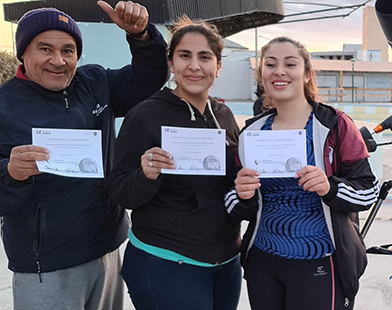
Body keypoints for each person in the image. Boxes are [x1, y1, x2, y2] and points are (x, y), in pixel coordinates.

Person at [0, 0, 169, 310]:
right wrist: (9, 173)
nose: (58, 61)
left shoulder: (95, 84)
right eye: (45, 49)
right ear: (24, 54)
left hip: (107, 249)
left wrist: (142, 37)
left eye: (67, 50)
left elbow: (148, 80)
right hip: (48, 264)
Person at [224, 36, 380, 310]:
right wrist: (242, 194)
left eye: (290, 64)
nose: (279, 71)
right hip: (264, 261)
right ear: (262, 74)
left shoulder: (335, 125)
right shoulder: (252, 133)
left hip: (320, 259)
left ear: (307, 74)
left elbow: (368, 190)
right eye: (270, 64)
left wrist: (329, 187)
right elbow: (234, 204)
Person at [107, 16, 242, 310]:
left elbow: (232, 186)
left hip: (226, 261)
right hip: (166, 261)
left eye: (205, 57)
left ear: (218, 66)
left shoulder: (225, 116)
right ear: (171, 63)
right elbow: (118, 190)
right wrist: (145, 175)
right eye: (184, 56)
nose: (194, 66)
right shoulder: (145, 115)